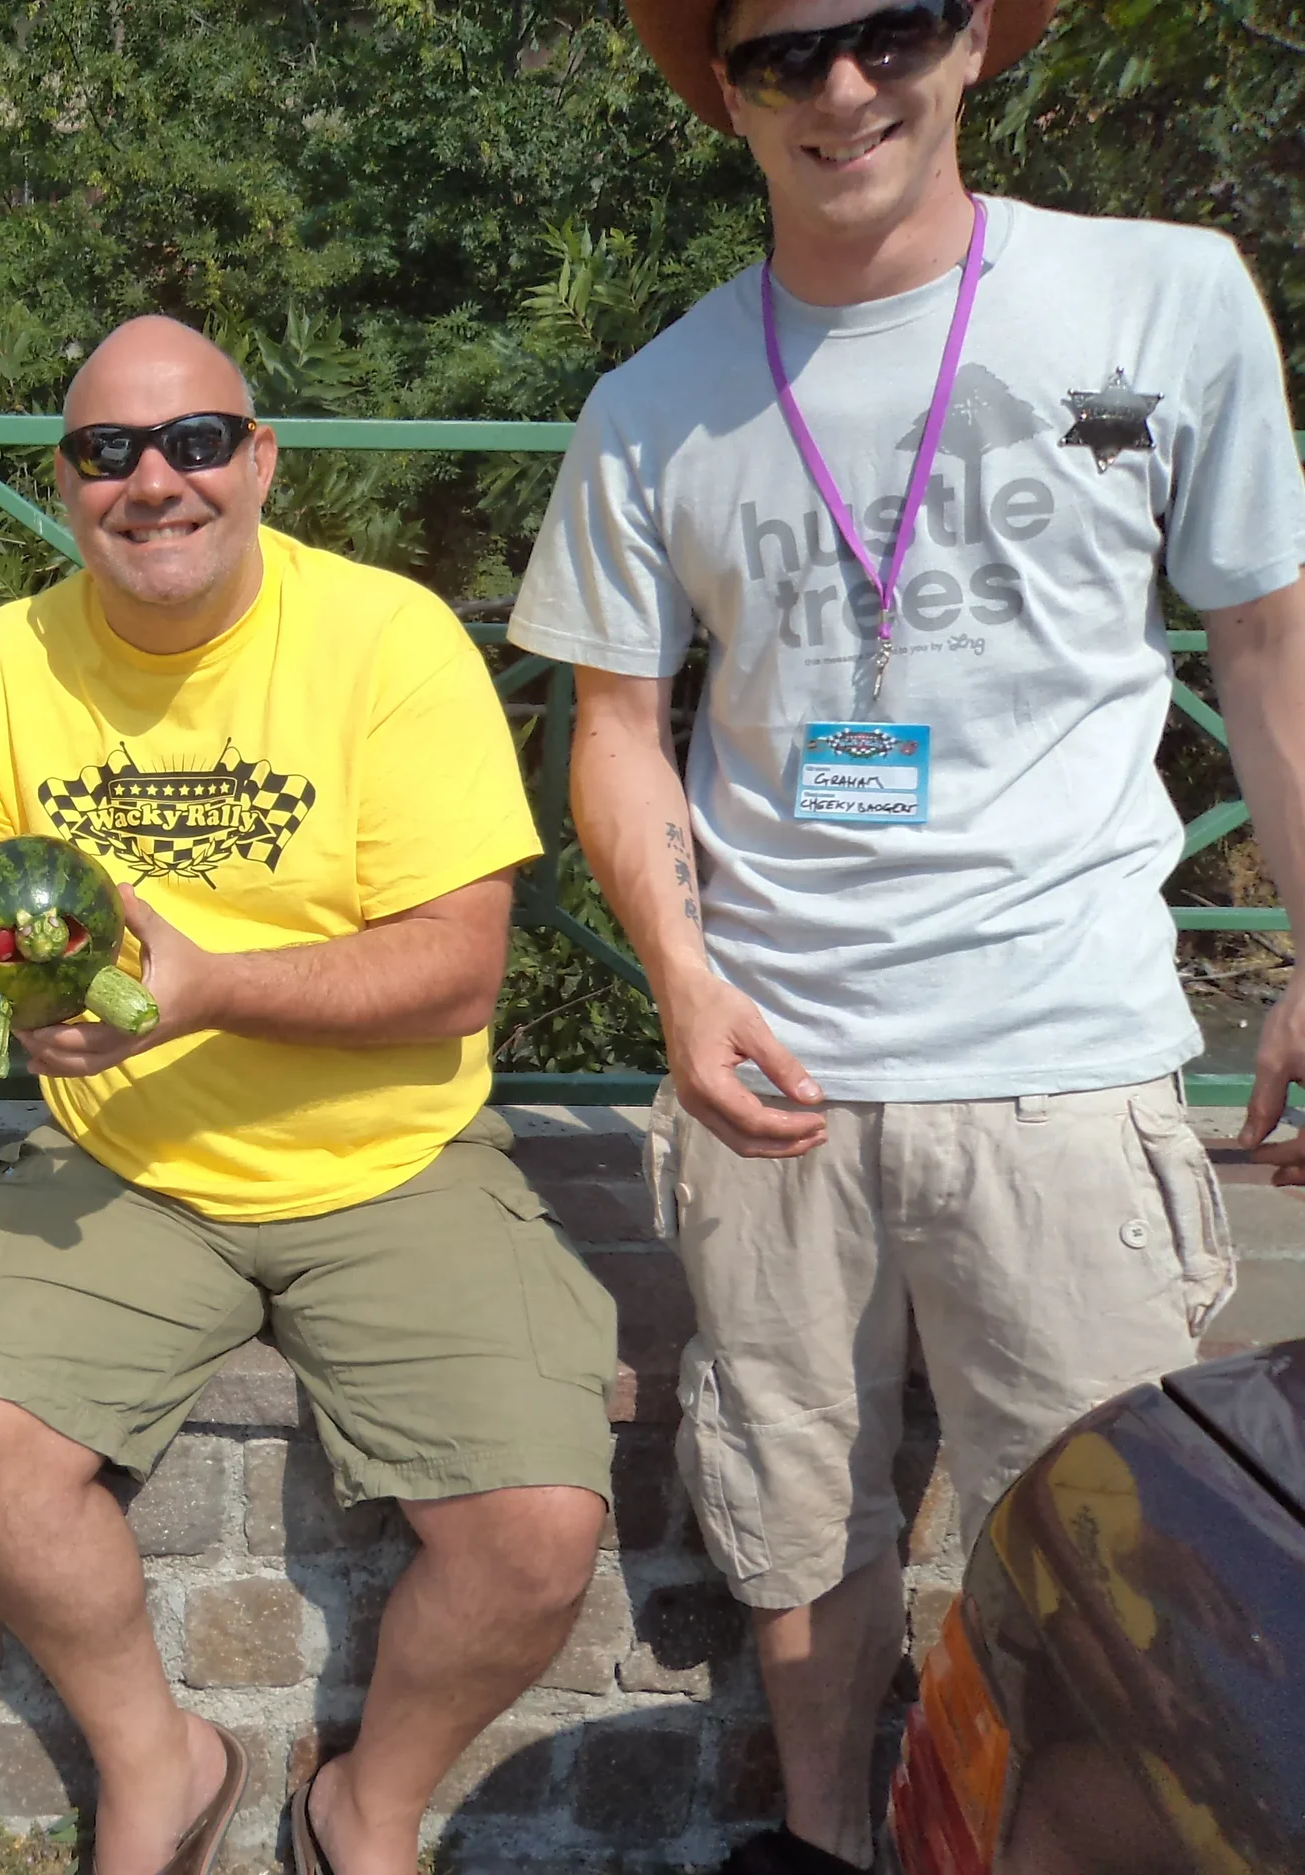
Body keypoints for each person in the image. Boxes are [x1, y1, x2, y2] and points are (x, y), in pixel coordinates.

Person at [508, 3, 1305, 1869]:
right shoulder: (657, 398)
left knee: (1121, 1554)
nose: (845, 87)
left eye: (889, 29)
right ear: (725, 90)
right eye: (786, 54)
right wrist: (683, 988)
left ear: (970, 44)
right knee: (794, 1528)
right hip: (776, 1071)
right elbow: (614, 733)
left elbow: (1269, 646)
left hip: (1066, 1058)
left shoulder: (1164, 296)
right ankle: (823, 1843)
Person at [0, 315, 617, 1875]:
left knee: (537, 1528)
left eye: (197, 439)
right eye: (107, 450)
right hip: (125, 1159)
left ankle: (365, 1802)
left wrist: (203, 989)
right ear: (63, 487)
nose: (155, 479)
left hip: (391, 1151)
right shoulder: (8, 661)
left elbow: (461, 970)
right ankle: (163, 1761)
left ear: (260, 460)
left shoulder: (389, 640)